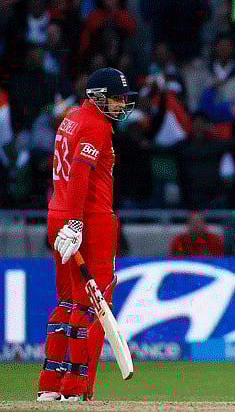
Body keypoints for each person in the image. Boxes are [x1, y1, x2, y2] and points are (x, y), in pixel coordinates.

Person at [37, 67, 136, 401]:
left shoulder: (71, 118)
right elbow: (80, 173)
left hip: (58, 212)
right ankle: (78, 388)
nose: (121, 105)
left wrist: (66, 219)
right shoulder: (96, 125)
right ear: (97, 97)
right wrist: (77, 223)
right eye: (116, 98)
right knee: (95, 305)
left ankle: (51, 385)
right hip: (89, 219)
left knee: (68, 302)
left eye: (124, 99)